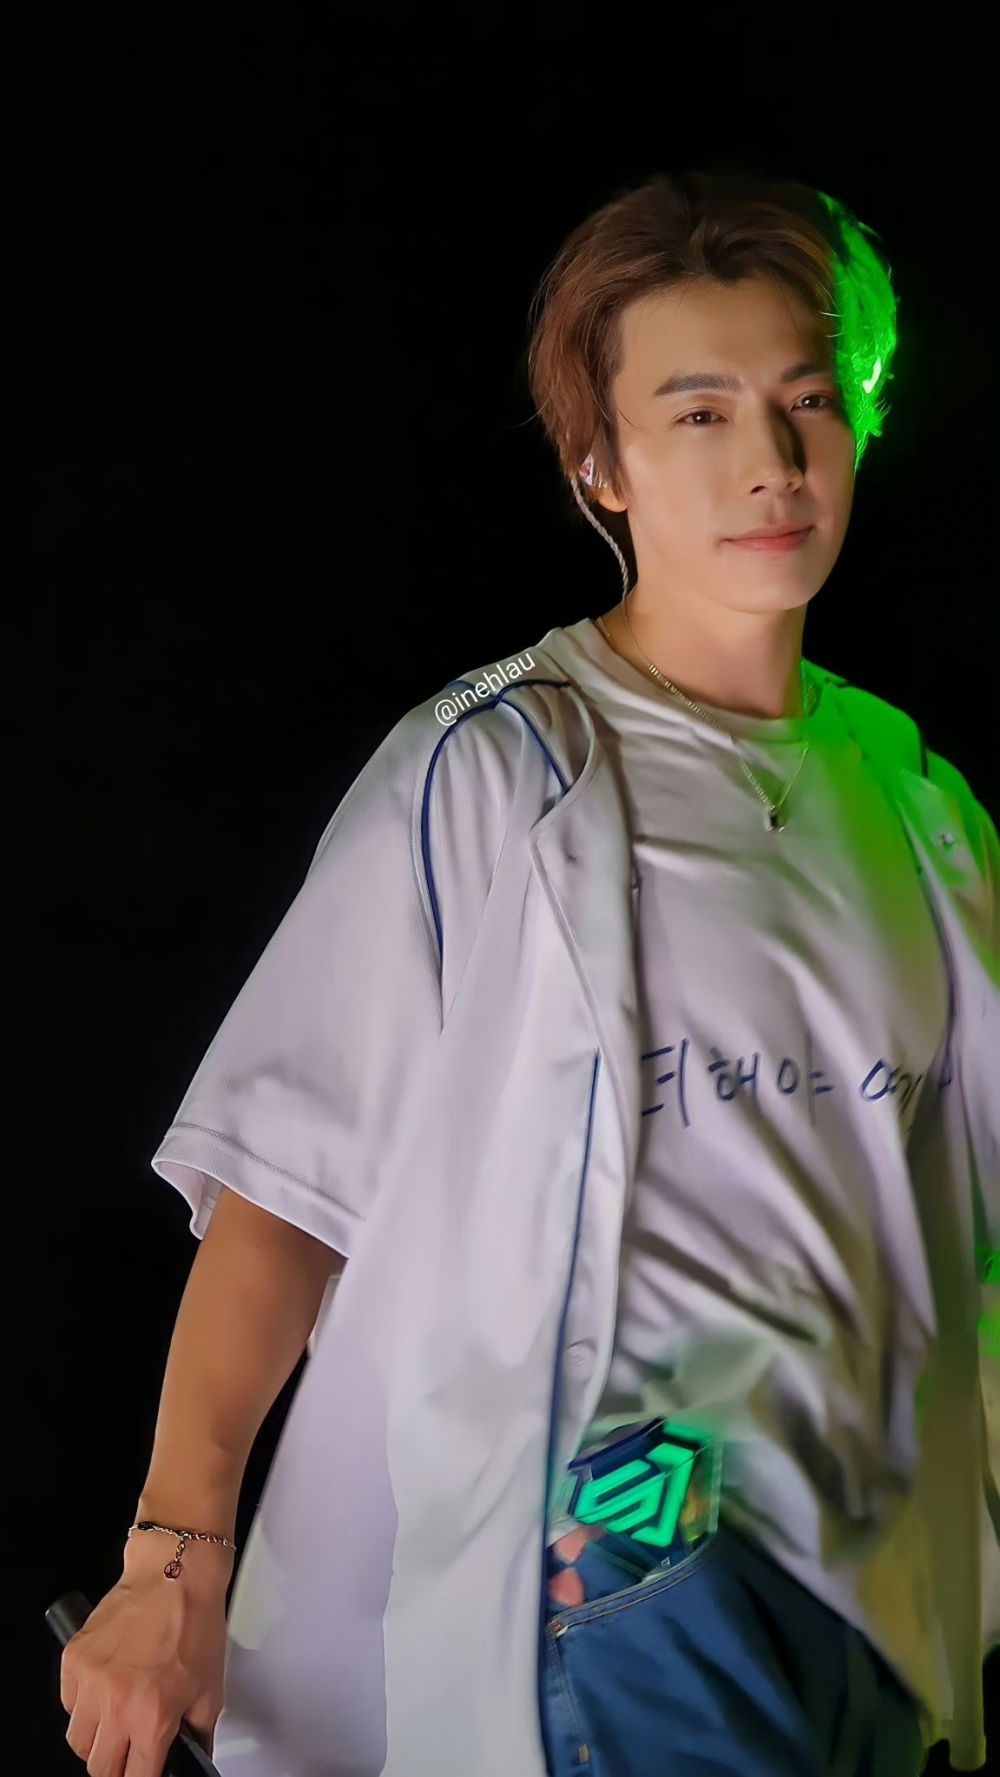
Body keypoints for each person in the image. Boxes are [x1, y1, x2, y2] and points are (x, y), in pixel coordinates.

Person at [59, 164, 999, 1777]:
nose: (771, 463)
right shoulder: (498, 766)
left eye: (805, 401)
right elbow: (287, 1183)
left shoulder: (923, 811)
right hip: (642, 1542)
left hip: (878, 1595)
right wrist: (170, 1561)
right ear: (601, 465)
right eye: (699, 412)